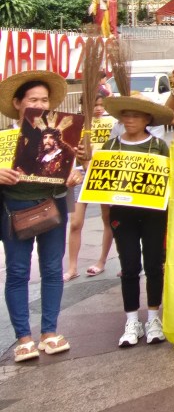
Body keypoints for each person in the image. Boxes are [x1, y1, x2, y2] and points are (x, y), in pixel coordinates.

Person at [0, 69, 78, 362]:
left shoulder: (61, 136)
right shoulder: (4, 138)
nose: (40, 105)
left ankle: (49, 332)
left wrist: (75, 174)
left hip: (53, 206)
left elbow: (76, 167)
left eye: (45, 100)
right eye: (33, 99)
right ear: (18, 103)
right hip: (15, 210)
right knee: (18, 272)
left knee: (52, 269)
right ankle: (23, 337)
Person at [101, 94, 173, 347]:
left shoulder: (158, 146)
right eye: (126, 115)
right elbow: (100, 183)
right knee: (129, 266)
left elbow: (168, 180)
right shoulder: (110, 147)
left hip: (154, 213)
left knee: (154, 264)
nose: (129, 120)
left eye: (135, 115)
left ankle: (153, 316)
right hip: (123, 214)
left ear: (147, 119)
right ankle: (132, 320)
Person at [65, 94, 114, 282]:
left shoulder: (111, 124)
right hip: (80, 174)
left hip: (104, 173)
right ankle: (72, 267)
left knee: (108, 219)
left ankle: (101, 261)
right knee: (76, 222)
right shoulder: (74, 124)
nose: (99, 109)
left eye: (102, 105)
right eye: (95, 105)